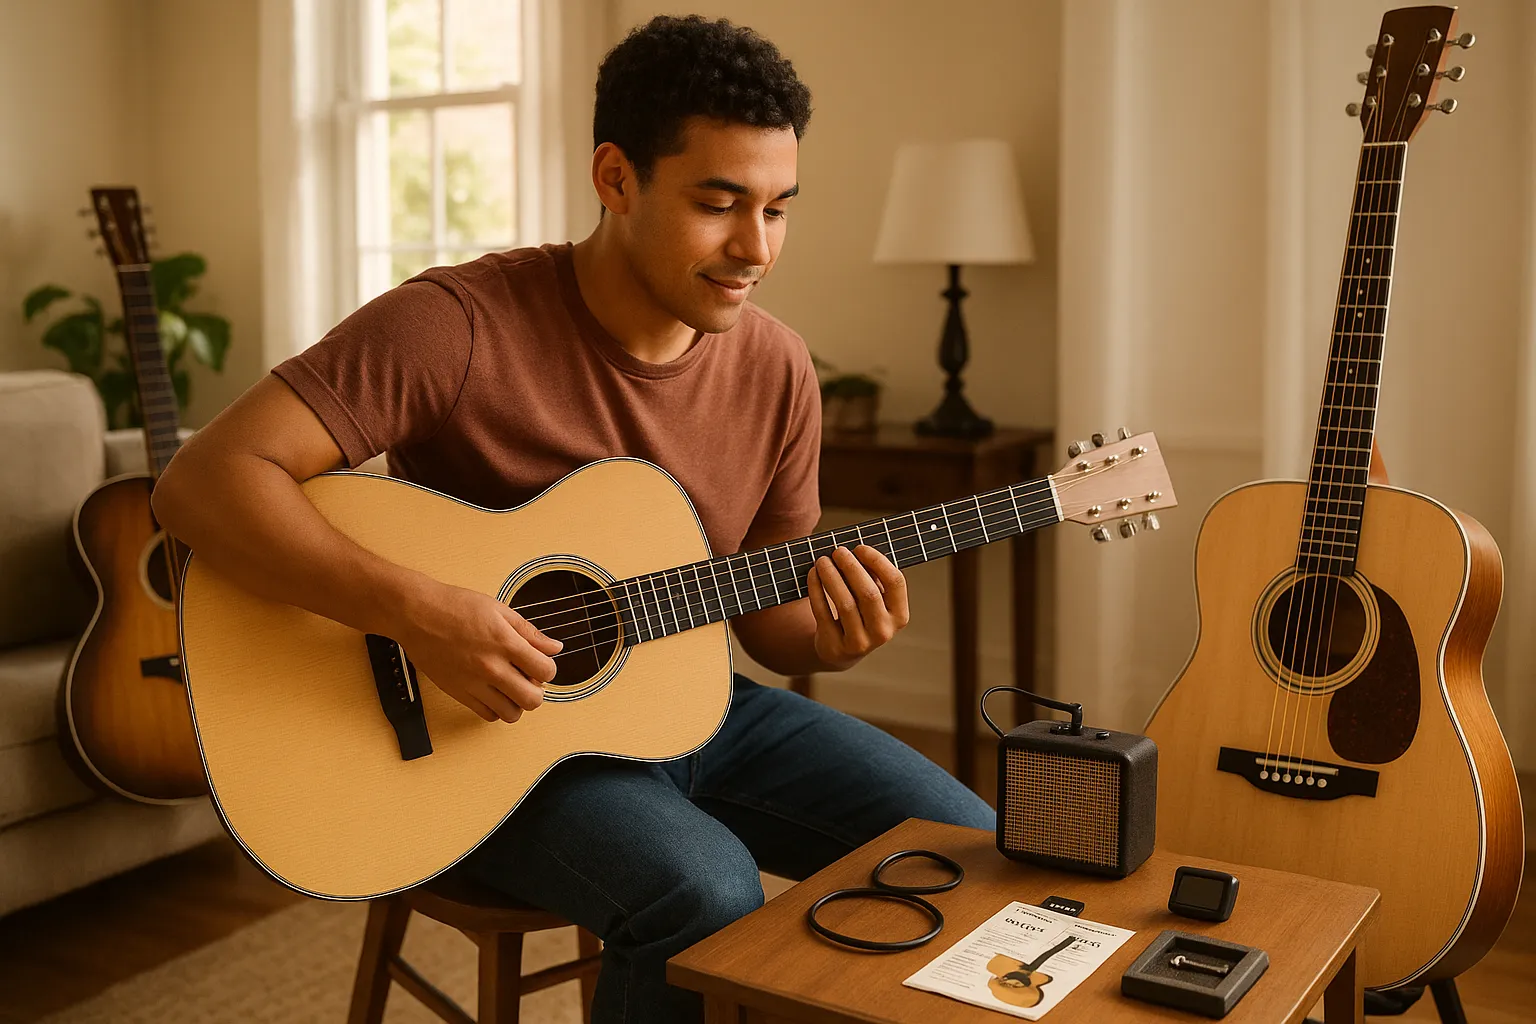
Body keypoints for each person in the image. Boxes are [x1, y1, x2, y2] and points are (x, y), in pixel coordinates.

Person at [152, 14, 995, 1021]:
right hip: (477, 743)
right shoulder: (455, 324)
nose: (754, 248)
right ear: (616, 177)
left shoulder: (777, 368)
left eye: (778, 209)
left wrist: (845, 631)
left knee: (973, 847)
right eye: (719, 204)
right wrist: (416, 609)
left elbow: (774, 623)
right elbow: (201, 483)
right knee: (704, 889)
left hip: (695, 710)